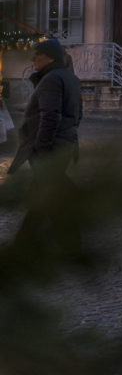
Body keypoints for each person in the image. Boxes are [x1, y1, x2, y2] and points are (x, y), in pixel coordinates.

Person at [10, 39, 84, 250]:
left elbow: (50, 116)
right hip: (65, 143)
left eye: (38, 55)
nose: (33, 59)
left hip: (50, 148)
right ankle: (25, 244)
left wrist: (41, 148)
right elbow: (78, 114)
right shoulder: (70, 77)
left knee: (47, 200)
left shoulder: (52, 79)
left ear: (50, 57)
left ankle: (72, 246)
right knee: (44, 198)